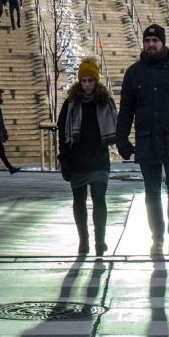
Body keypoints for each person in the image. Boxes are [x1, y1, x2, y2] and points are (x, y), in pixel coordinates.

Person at [116, 24, 169, 256]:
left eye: (155, 40)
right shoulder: (134, 73)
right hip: (147, 142)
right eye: (148, 40)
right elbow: (126, 109)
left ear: (162, 43)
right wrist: (121, 139)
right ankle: (157, 240)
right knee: (152, 192)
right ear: (143, 43)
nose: (151, 44)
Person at [57, 57, 118, 256]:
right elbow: (61, 130)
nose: (87, 85)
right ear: (79, 81)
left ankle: (100, 240)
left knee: (99, 198)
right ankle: (83, 240)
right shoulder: (71, 102)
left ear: (96, 80)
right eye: (84, 81)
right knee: (79, 200)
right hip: (78, 159)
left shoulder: (105, 101)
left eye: (91, 80)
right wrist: (64, 156)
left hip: (99, 158)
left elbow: (116, 124)